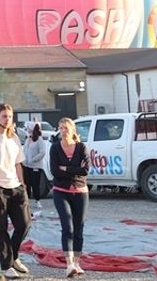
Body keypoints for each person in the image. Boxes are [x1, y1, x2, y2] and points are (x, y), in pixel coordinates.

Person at [0, 104, 31, 278]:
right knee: (1, 228)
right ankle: (6, 266)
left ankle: (14, 256)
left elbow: (18, 163)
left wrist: (23, 185)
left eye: (10, 116)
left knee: (24, 224)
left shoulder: (14, 138)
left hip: (16, 186)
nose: (8, 119)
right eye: (4, 116)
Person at [49, 118, 89, 277]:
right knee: (68, 227)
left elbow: (85, 170)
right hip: (61, 191)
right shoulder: (55, 148)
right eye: (60, 128)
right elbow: (54, 171)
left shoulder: (81, 147)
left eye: (65, 128)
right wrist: (74, 169)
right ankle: (69, 264)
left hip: (80, 191)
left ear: (72, 129)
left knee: (79, 227)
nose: (62, 131)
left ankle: (77, 263)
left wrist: (65, 168)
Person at [23, 122, 50, 218]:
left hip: (36, 166)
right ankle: (27, 200)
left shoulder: (39, 140)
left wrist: (34, 159)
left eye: (29, 129)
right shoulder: (28, 139)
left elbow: (42, 153)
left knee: (35, 183)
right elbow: (25, 150)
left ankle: (37, 200)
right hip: (26, 165)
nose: (27, 131)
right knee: (27, 183)